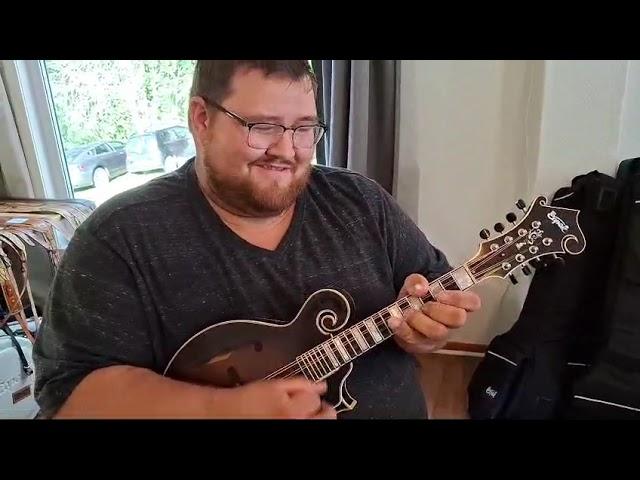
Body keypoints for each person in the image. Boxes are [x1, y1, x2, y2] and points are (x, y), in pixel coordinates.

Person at [32, 60, 481, 419]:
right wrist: (222, 410)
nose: (287, 150)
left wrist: (426, 334)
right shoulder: (119, 237)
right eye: (262, 126)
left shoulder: (361, 201)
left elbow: (431, 290)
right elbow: (72, 398)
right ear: (201, 119)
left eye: (304, 128)